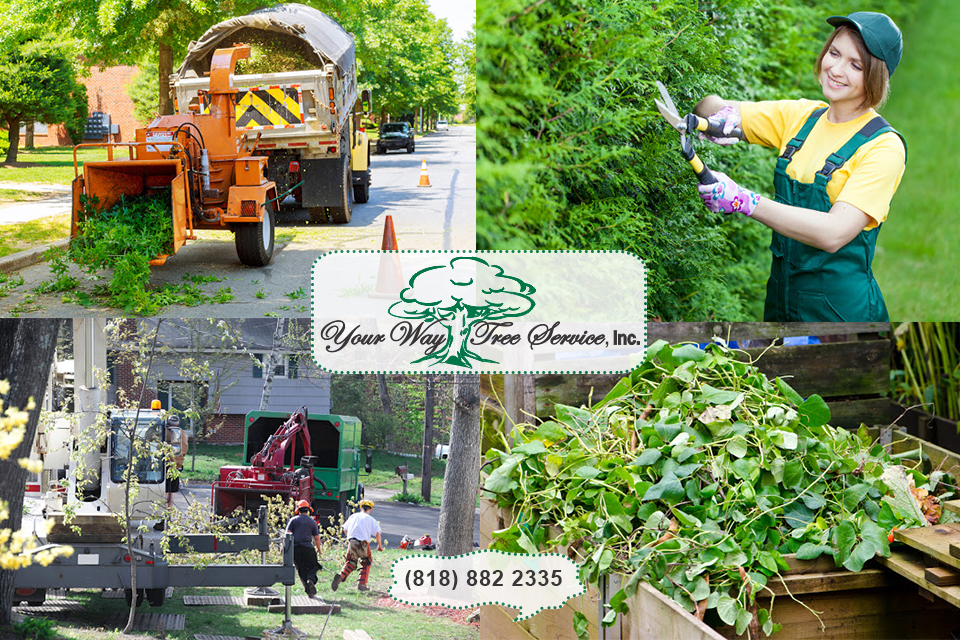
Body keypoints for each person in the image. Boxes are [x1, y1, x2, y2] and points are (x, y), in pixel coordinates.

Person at [694, 12, 906, 322]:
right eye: (834, 53)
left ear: (875, 77)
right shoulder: (801, 117)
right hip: (781, 302)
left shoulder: (883, 147)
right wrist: (716, 118)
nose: (836, 68)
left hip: (840, 314)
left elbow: (833, 233)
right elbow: (709, 106)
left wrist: (744, 201)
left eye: (855, 65)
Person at [331, 499, 383, 592]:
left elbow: (345, 529)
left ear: (360, 507)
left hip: (352, 541)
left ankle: (341, 575)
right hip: (363, 543)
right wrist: (380, 546)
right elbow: (377, 534)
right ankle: (362, 585)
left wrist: (349, 538)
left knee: (350, 562)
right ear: (370, 509)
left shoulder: (353, 516)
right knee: (366, 561)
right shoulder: (371, 519)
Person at [285, 499, 323, 596]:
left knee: (301, 569)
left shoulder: (293, 520)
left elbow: (287, 535)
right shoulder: (312, 522)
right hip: (307, 548)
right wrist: (318, 549)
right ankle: (310, 580)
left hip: (295, 549)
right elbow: (317, 538)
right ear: (308, 510)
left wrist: (284, 548)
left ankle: (308, 590)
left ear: (298, 510)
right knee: (313, 566)